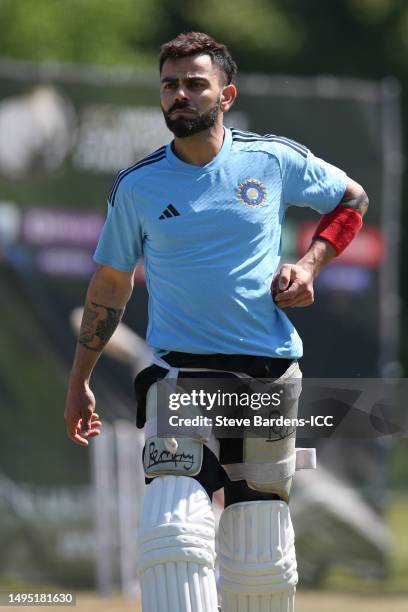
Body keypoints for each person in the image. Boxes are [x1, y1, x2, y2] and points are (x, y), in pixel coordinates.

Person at [64, 32, 368, 612]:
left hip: (269, 380)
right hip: (181, 378)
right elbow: (109, 287)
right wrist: (80, 379)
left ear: (225, 94)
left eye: (194, 84)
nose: (180, 95)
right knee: (171, 536)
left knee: (261, 565)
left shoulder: (272, 159)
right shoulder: (137, 186)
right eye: (169, 85)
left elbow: (352, 200)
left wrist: (309, 266)